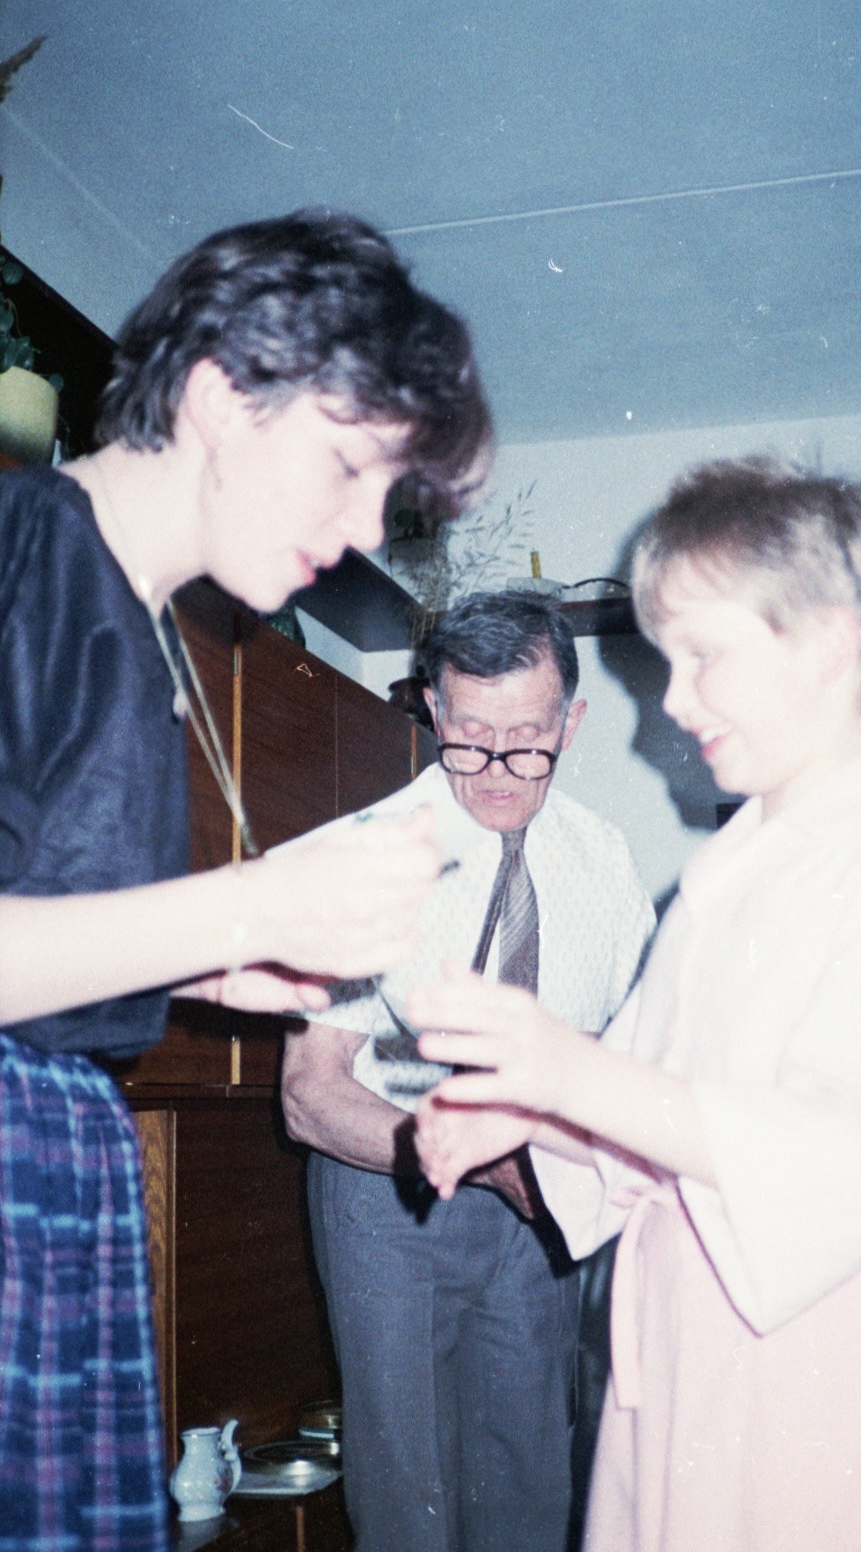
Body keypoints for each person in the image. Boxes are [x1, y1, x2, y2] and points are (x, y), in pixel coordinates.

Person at [408, 458, 861, 1552]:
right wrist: (525, 1116)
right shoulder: (729, 873)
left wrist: (562, 1073)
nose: (671, 702)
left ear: (829, 640)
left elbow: (846, 1142)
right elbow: (653, 1096)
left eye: (703, 656)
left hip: (842, 1341)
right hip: (702, 1344)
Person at [0, 208, 493, 1552]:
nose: (358, 527)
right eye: (344, 467)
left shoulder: (143, 625)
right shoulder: (25, 546)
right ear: (220, 394)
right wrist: (247, 907)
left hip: (66, 1162)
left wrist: (217, 965)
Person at [281, 590, 655, 1552]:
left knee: (530, 1477)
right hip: (388, 1198)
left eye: (526, 740)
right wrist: (465, 1153)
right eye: (469, 735)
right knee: (408, 1492)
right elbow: (309, 1093)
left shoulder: (603, 862)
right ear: (434, 712)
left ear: (571, 722)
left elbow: (632, 1056)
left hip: (539, 1209)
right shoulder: (369, 855)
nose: (493, 769)